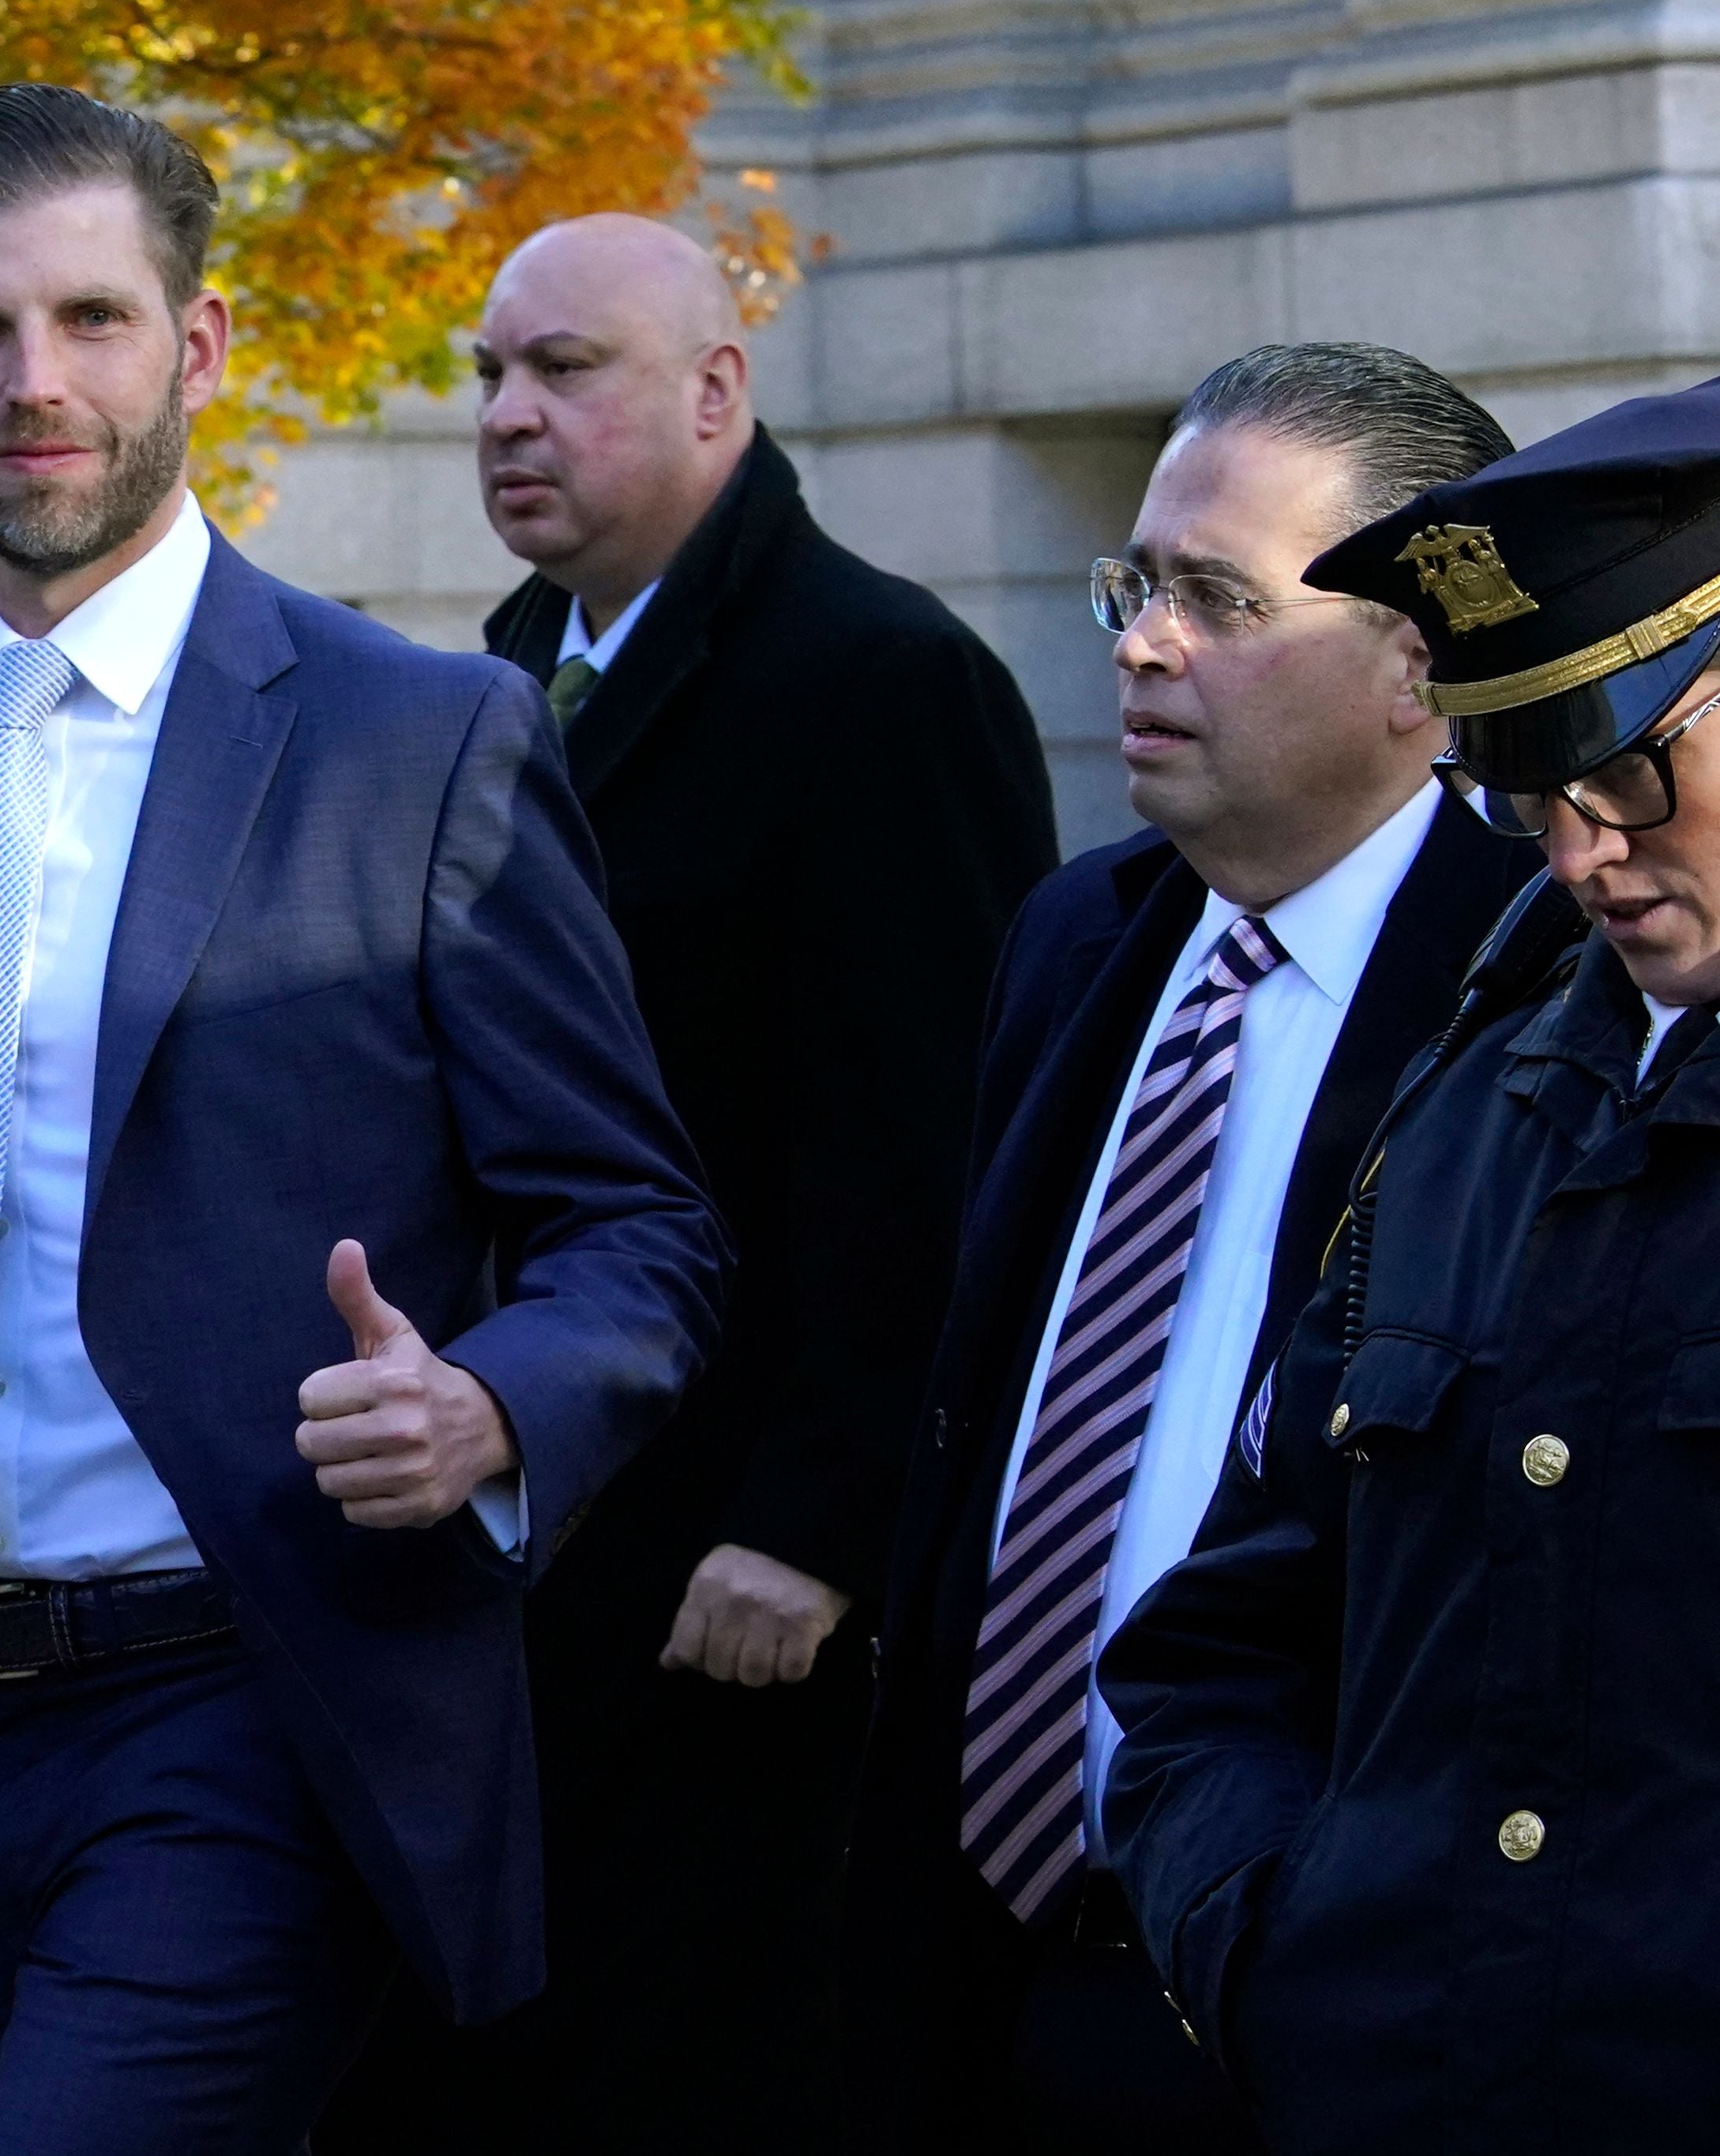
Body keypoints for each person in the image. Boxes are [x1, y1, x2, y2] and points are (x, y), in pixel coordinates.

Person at [0, 86, 730, 2156]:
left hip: (241, 1702)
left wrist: (487, 1406)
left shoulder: (417, 737)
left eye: (95, 320)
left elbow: (636, 1229)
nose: (37, 385)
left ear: (194, 351)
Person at [325, 213, 1059, 2148]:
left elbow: (934, 1151)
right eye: (488, 373)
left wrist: (821, 1520)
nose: (506, 416)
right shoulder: (497, 675)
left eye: (564, 371)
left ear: (716, 391)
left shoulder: (883, 682)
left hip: (731, 1585)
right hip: (506, 1541)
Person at [841, 344, 1534, 2152]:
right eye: (1134, 588)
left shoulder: (1534, 993)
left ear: (1420, 661)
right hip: (970, 1961)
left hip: (1290, 2002)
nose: (1142, 643)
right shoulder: (1082, 937)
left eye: (1217, 599)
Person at [1099, 380, 1720, 2151]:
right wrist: (1278, 1946)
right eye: (1525, 790)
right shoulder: (1474, 1109)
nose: (1580, 849)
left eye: (1621, 767)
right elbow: (1225, 1644)